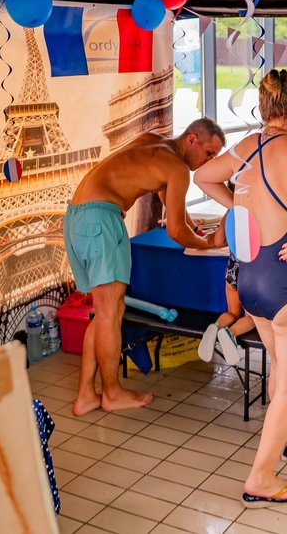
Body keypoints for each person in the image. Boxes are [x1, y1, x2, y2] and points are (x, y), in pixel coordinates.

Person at [195, 69, 287, 508]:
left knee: (281, 365)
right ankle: (260, 476)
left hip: (254, 284)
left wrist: (240, 207)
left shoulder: (243, 147)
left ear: (262, 109)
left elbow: (202, 176)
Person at [64, 119, 225, 416]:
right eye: (209, 153)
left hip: (77, 217)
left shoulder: (153, 141)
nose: (209, 161)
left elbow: (170, 201)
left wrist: (195, 228)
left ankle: (87, 394)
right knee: (112, 314)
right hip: (102, 220)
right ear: (192, 140)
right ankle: (112, 393)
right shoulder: (176, 168)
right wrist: (210, 244)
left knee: (104, 313)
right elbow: (175, 231)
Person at [198, 189, 256, 365]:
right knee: (251, 318)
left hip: (233, 268)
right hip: (253, 271)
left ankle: (216, 327)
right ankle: (230, 334)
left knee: (232, 312)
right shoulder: (261, 208)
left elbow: (217, 241)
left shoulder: (231, 209)